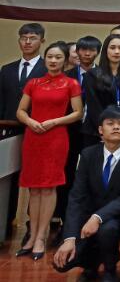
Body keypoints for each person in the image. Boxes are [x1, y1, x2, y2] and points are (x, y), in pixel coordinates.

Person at [53, 106, 120, 282]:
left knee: (107, 229)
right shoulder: (88, 154)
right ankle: (91, 265)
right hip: (88, 215)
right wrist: (69, 238)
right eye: (110, 123)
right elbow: (76, 196)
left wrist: (97, 217)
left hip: (118, 215)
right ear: (100, 130)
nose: (116, 127)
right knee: (61, 263)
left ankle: (110, 269)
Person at [15, 42, 83, 260]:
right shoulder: (33, 83)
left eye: (58, 57)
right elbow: (21, 110)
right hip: (33, 137)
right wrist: (30, 122)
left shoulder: (71, 83)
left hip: (56, 137)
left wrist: (54, 121)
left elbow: (78, 113)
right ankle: (31, 236)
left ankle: (42, 237)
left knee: (49, 187)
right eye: (50, 57)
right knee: (33, 188)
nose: (53, 61)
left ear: (65, 60)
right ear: (45, 59)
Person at [57, 34, 102, 236]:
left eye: (91, 50)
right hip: (69, 130)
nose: (87, 53)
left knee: (92, 174)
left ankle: (91, 220)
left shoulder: (103, 75)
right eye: (83, 49)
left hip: (93, 132)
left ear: (97, 53)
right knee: (66, 173)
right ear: (76, 52)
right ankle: (65, 222)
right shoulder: (66, 76)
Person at [82, 34, 120, 147]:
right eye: (112, 48)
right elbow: (94, 106)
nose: (117, 52)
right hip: (97, 131)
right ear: (105, 50)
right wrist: (105, 129)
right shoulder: (92, 74)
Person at [0, 22, 47, 121]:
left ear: (42, 41)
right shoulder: (6, 69)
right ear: (19, 41)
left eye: (33, 38)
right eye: (23, 38)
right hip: (8, 123)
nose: (27, 42)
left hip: (37, 123)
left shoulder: (48, 68)